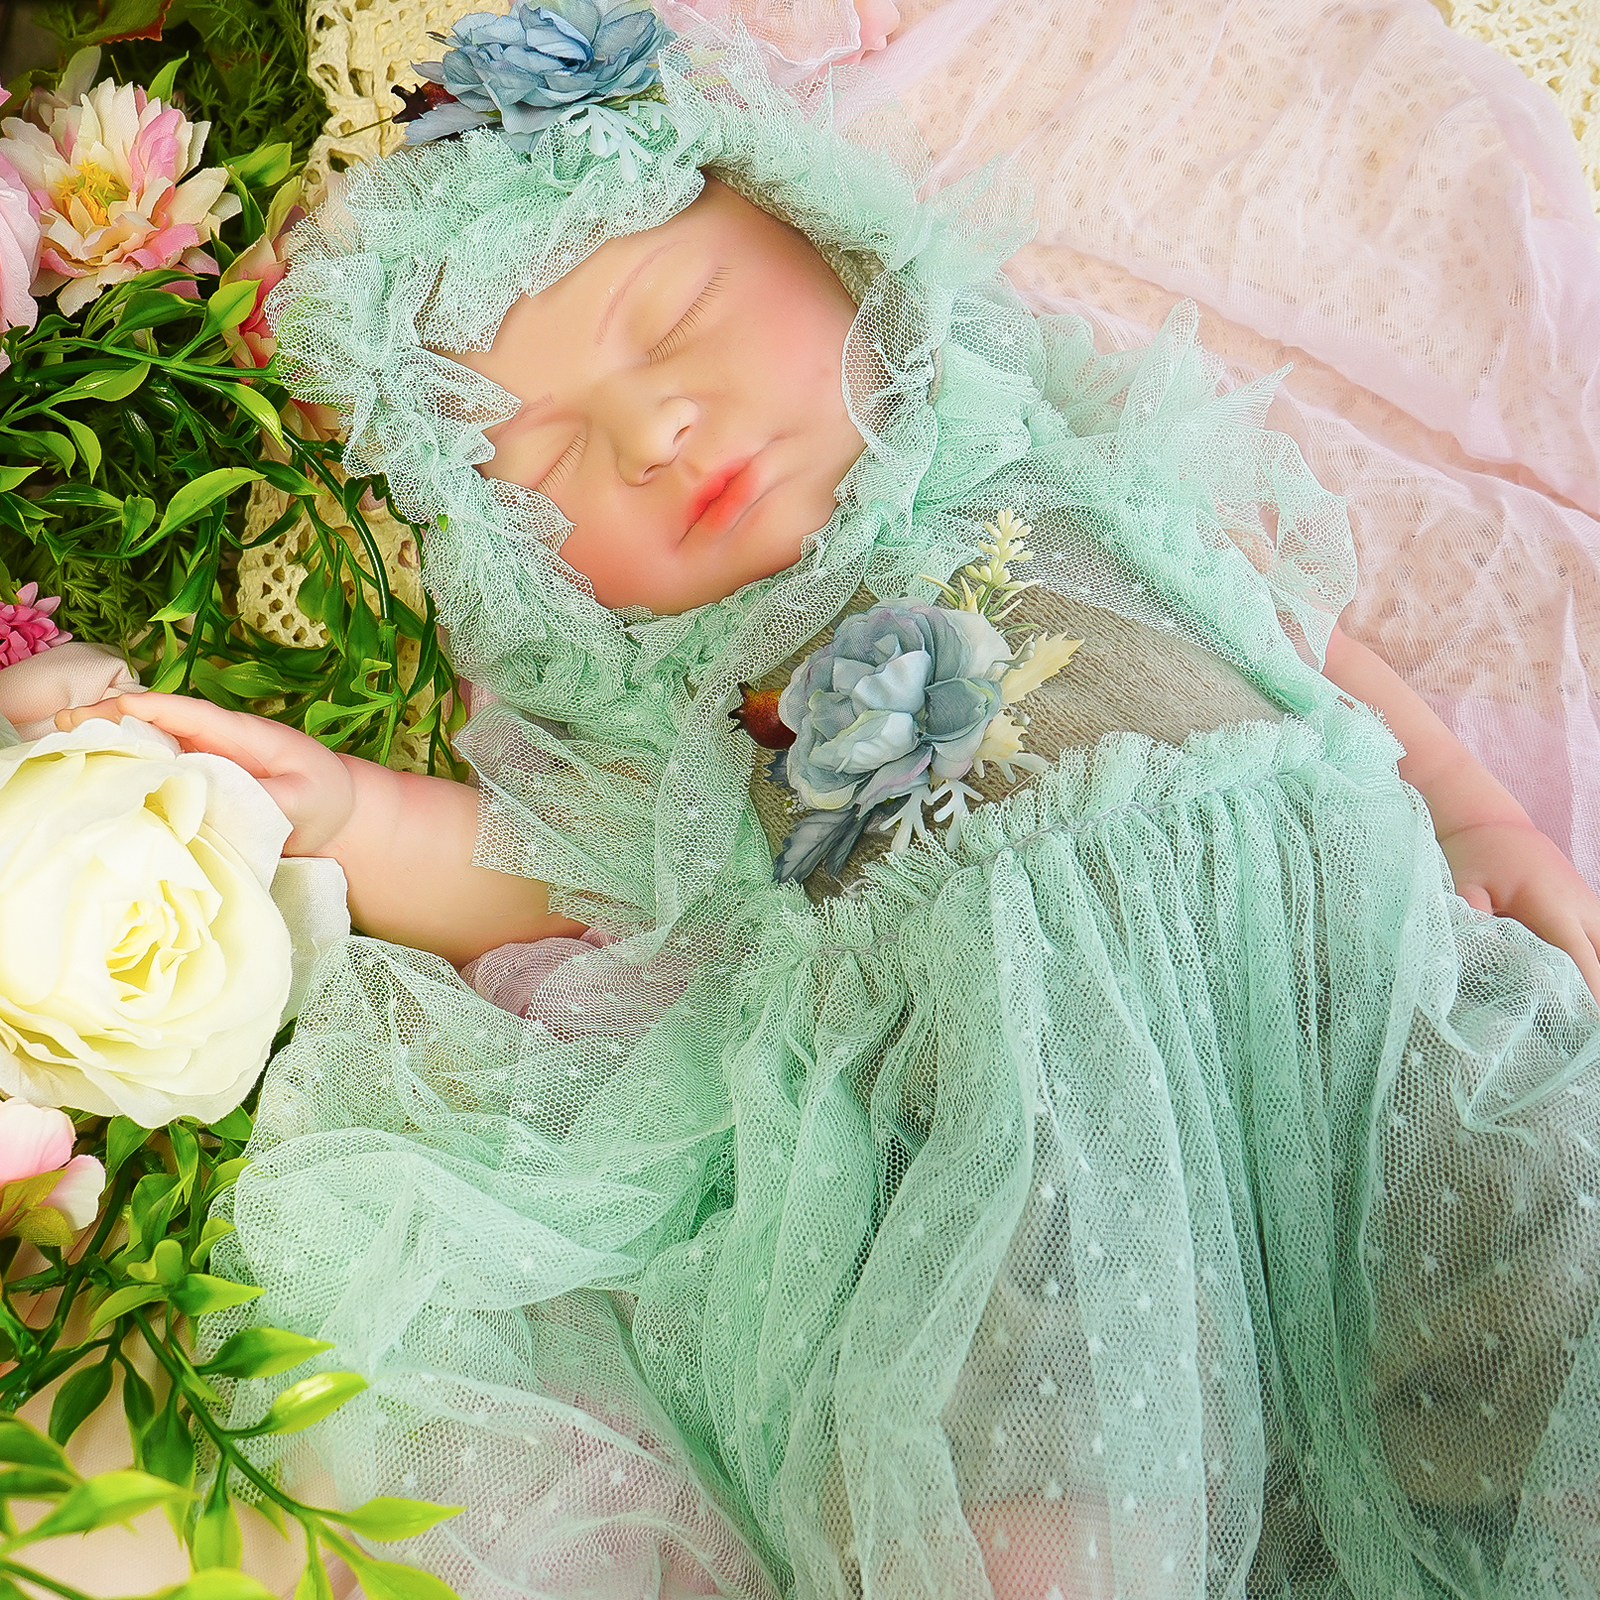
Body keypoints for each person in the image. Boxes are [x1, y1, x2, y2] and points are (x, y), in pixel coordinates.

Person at [59, 7, 1600, 1597]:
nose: (651, 431)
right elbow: (548, 875)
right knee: (1026, 1461)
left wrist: (1473, 813)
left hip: (1352, 989)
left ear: (842, 249)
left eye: (677, 318)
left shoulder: (1067, 459)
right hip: (1031, 1132)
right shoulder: (698, 703)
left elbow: (1283, 629)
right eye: (547, 461)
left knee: (1551, 1243)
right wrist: (339, 810)